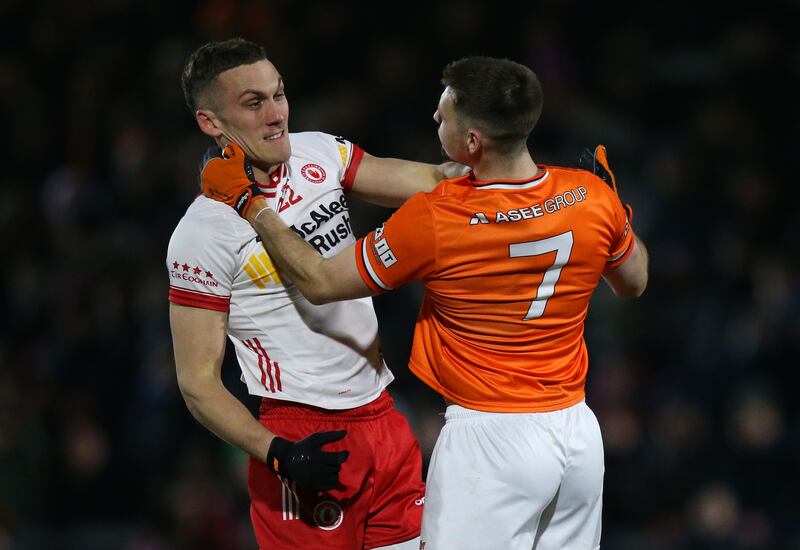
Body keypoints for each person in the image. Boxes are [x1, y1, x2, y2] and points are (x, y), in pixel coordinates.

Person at [200, 56, 649, 549]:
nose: (435, 119)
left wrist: (250, 204)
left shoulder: (436, 219)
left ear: (473, 140)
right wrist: (617, 211)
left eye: (445, 113)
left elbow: (322, 282)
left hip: (491, 439)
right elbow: (634, 281)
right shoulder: (588, 194)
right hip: (578, 435)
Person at [168, 38, 456, 550]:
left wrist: (535, 180)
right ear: (211, 122)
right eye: (254, 103)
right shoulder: (202, 233)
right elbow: (197, 384)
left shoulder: (317, 151)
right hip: (303, 433)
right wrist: (278, 453)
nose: (277, 114)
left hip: (384, 418)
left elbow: (433, 179)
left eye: (278, 94)